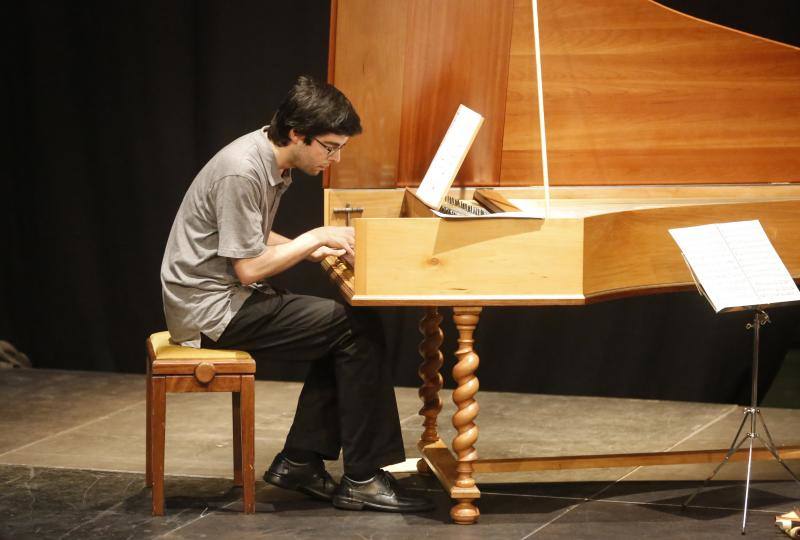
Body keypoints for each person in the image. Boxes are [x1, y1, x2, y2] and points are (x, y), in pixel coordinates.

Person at [160, 75, 432, 513]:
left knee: (342, 332)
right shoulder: (242, 170)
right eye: (329, 147)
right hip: (208, 310)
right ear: (295, 134)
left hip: (224, 298)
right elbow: (247, 266)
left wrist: (309, 250)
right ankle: (360, 476)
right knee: (354, 328)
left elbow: (248, 232)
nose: (336, 157)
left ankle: (301, 462)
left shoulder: (266, 159)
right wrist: (313, 238)